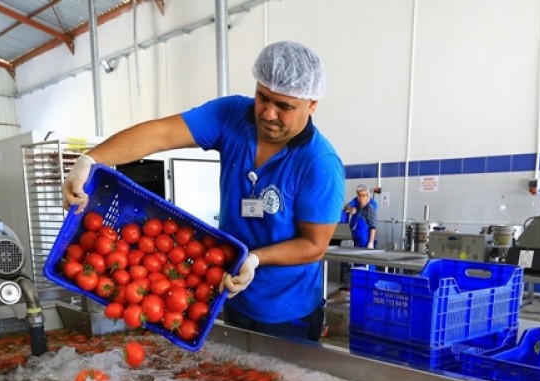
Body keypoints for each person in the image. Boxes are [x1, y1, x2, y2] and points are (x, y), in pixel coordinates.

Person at [62, 41, 345, 343]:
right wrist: (91, 159)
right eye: (263, 97)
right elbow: (161, 133)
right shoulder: (233, 115)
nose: (269, 114)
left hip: (288, 312)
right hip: (228, 291)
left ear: (312, 104)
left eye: (285, 106)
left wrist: (256, 259)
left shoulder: (319, 164)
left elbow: (314, 244)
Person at [344, 184, 377, 249]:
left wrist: (371, 243)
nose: (361, 197)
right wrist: (350, 209)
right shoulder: (356, 203)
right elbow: (346, 207)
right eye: (359, 195)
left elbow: (373, 227)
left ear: (368, 196)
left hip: (365, 240)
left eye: (364, 195)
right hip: (356, 238)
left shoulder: (370, 208)